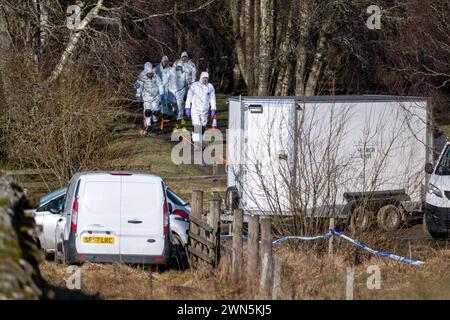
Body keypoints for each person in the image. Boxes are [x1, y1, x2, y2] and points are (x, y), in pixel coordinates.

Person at [184, 71, 216, 144]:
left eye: (206, 78)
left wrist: (213, 108)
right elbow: (189, 97)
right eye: (204, 78)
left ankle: (199, 140)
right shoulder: (194, 86)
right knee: (197, 125)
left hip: (205, 110)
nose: (205, 80)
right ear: (201, 78)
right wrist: (187, 107)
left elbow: (212, 98)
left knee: (203, 126)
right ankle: (197, 143)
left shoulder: (210, 87)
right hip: (195, 110)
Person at [135, 62, 164, 133]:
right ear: (146, 72)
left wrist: (162, 93)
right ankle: (149, 125)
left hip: (155, 96)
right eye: (148, 73)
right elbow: (138, 86)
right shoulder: (142, 77)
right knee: (147, 111)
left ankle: (155, 120)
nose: (150, 75)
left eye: (151, 73)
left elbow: (160, 85)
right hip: (146, 97)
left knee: (155, 111)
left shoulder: (156, 76)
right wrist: (138, 94)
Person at [172, 51, 197, 124]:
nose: (184, 58)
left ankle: (190, 112)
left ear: (187, 57)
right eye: (183, 56)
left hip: (189, 84)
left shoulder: (191, 64)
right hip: (180, 85)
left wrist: (193, 82)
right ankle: (180, 116)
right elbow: (173, 72)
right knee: (179, 100)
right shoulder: (177, 63)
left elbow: (194, 73)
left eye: (185, 57)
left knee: (190, 99)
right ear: (181, 57)